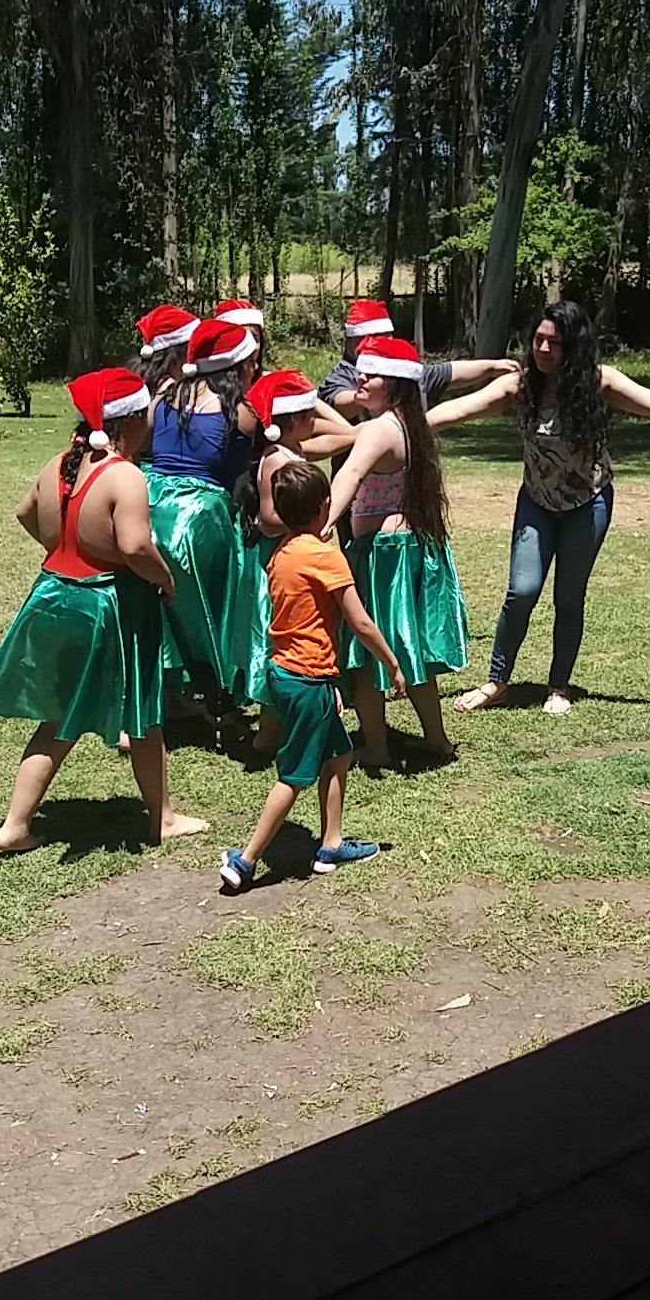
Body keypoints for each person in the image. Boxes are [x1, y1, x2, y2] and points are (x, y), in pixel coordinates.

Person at [454, 300, 650, 718]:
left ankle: (558, 686)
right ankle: (496, 681)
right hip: (536, 504)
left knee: (568, 596)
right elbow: (461, 408)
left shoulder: (600, 382)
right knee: (522, 591)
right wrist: (402, 427)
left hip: (588, 504)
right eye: (538, 340)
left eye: (554, 343)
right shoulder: (520, 385)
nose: (543, 349)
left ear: (574, 346)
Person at [0, 368, 208, 852]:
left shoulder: (60, 463)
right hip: (109, 603)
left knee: (58, 718)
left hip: (53, 593)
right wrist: (165, 578)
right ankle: (162, 818)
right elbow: (135, 546)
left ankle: (16, 825)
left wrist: (62, 545)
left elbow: (25, 511)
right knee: (143, 712)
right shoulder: (124, 475)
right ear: (134, 420)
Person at [325, 335, 518, 768]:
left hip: (382, 557)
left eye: (371, 375)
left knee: (364, 655)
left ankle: (376, 748)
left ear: (395, 383)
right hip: (409, 549)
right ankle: (436, 739)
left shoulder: (380, 429)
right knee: (410, 651)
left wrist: (323, 523)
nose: (360, 379)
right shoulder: (411, 424)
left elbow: (350, 475)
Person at [219, 460, 405, 891]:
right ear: (325, 507)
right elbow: (359, 622)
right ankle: (246, 861)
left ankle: (332, 844)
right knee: (294, 775)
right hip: (308, 680)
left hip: (284, 673)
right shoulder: (325, 556)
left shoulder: (282, 553)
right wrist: (392, 663)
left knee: (338, 754)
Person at [235, 369, 358, 757]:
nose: (316, 419)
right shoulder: (276, 458)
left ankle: (276, 730)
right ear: (294, 420)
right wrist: (305, 522)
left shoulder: (294, 449)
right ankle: (268, 734)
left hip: (295, 554)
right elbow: (269, 517)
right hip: (279, 560)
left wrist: (311, 402)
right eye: (310, 414)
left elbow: (346, 435)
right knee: (281, 640)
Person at [142, 316, 258, 707]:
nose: (255, 369)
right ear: (235, 368)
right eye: (251, 362)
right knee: (213, 609)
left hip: (152, 509)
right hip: (199, 517)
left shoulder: (163, 398)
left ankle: (166, 695)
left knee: (163, 611)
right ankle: (217, 689)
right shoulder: (241, 412)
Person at [321, 298, 519, 418]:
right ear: (352, 340)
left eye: (385, 337)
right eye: (371, 337)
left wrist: (492, 367)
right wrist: (365, 393)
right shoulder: (341, 376)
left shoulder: (400, 368)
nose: (379, 343)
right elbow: (339, 405)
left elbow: (449, 372)